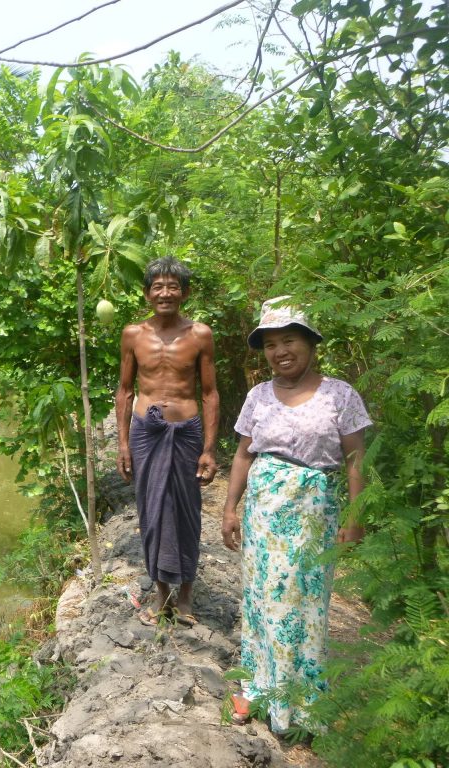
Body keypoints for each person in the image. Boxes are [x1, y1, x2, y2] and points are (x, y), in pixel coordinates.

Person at [221, 297, 370, 733]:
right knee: (263, 599)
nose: (280, 351)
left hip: (312, 513)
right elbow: (244, 455)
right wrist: (230, 508)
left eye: (289, 340)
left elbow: (356, 460)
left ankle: (302, 704)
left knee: (304, 603)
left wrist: (355, 517)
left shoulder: (340, 394)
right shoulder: (258, 396)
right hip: (264, 512)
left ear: (310, 343)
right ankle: (261, 689)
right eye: (270, 344)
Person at [116, 257, 220, 628]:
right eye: (158, 286)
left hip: (187, 429)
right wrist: (123, 444)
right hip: (147, 430)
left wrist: (209, 448)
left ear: (185, 293)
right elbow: (126, 391)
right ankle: (161, 594)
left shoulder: (200, 335)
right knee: (152, 509)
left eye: (173, 286)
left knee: (187, 511)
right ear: (147, 294)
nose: (165, 293)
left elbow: (209, 393)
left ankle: (187, 595)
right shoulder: (133, 334)